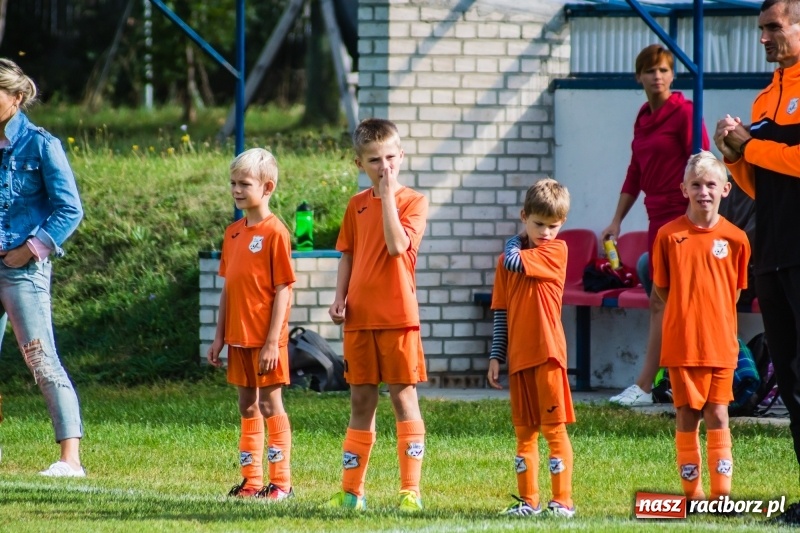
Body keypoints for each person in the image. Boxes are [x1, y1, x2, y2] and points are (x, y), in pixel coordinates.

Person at [715, 0, 800, 523]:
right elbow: (762, 186)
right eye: (761, 29)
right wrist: (734, 156)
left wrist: (753, 145)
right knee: (791, 380)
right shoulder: (766, 96)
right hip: (772, 252)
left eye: (774, 27)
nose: (764, 38)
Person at [327, 118, 428, 512]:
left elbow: (395, 245)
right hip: (360, 320)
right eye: (374, 160)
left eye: (389, 157)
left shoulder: (413, 201)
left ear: (401, 156)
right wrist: (340, 297)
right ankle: (352, 492)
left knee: (404, 399)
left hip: (399, 318)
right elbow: (348, 253)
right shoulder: (355, 206)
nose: (383, 166)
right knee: (360, 402)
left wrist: (387, 196)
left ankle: (409, 491)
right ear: (359, 163)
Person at [603, 44, 710, 407]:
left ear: (672, 75)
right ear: (639, 77)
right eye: (650, 70)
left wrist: (696, 219)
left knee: (661, 301)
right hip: (655, 219)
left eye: (664, 70)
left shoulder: (685, 113)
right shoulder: (643, 117)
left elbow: (704, 168)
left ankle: (646, 386)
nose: (657, 76)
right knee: (666, 300)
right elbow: (635, 172)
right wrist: (616, 221)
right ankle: (668, 380)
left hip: (683, 218)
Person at [0, 59, 84, 476]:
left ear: (16, 99)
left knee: (41, 360)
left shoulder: (41, 144)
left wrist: (31, 249)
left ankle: (71, 459)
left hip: (23, 271)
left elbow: (71, 210)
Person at [651, 152, 749, 504]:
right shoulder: (668, 236)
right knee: (687, 414)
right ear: (683, 189)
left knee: (718, 413)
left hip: (721, 344)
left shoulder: (736, 238)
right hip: (682, 344)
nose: (703, 191)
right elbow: (663, 288)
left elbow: (735, 290)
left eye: (711, 184)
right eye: (696, 184)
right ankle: (694, 497)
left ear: (725, 189)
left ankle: (723, 499)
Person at [207, 148, 295, 501]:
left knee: (272, 405)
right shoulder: (232, 233)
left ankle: (282, 483)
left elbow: (284, 290)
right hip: (238, 339)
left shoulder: (276, 233)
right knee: (246, 406)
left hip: (266, 340)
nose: (236, 190)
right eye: (233, 183)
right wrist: (218, 338)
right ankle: (252, 481)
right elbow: (229, 287)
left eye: (244, 183)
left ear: (267, 187)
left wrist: (273, 341)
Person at [488, 178, 576, 518]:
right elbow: (501, 312)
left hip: (549, 354)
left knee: (554, 430)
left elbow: (514, 261)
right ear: (524, 216)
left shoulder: (556, 251)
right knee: (524, 434)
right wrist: (497, 355)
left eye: (553, 226)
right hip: (520, 358)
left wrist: (514, 241)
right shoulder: (506, 260)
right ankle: (529, 501)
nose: (546, 232)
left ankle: (562, 501)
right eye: (538, 224)